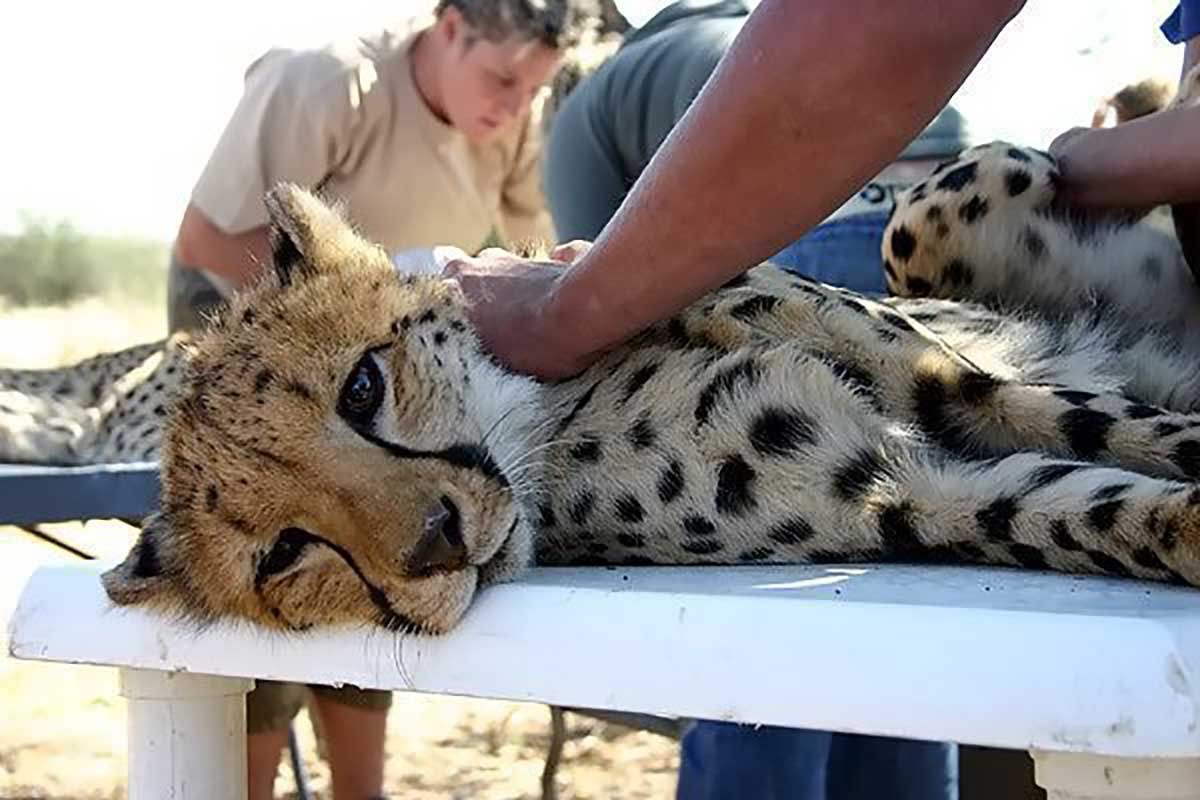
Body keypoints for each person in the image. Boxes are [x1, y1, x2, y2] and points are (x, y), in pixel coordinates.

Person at [166, 2, 600, 797]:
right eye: (502, 78)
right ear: (448, 27)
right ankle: (246, 780)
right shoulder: (328, 82)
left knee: (392, 568)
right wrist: (371, 281)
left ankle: (359, 788)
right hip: (259, 367)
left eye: (533, 90)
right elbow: (205, 243)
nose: (511, 105)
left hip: (400, 386)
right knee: (275, 590)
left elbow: (531, 250)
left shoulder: (510, 122)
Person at [540, 3, 967, 797]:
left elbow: (591, 322)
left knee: (770, 629)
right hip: (946, 228)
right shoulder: (725, 44)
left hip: (817, 243)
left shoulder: (584, 113)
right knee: (909, 605)